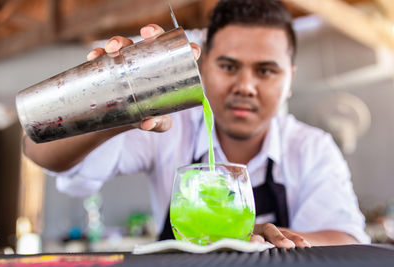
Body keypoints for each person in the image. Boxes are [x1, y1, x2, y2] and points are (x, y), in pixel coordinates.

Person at [23, 0, 370, 248]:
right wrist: (121, 104)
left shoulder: (311, 147)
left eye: (266, 71)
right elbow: (39, 150)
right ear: (203, 69)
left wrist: (275, 243)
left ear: (289, 80)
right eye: (229, 66)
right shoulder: (169, 125)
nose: (245, 86)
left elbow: (346, 237)